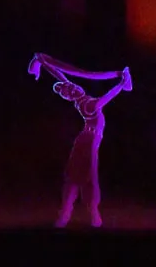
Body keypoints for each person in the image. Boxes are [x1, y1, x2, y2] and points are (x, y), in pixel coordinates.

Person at [51, 69, 131, 228]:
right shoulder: (88, 104)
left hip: (86, 140)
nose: (74, 88)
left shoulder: (81, 100)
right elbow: (109, 96)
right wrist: (122, 83)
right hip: (88, 141)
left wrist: (48, 65)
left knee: (79, 176)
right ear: (69, 97)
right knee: (85, 177)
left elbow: (64, 80)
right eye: (70, 91)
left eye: (72, 86)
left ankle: (70, 216)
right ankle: (86, 216)